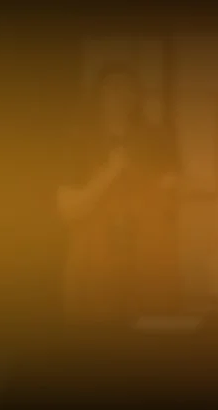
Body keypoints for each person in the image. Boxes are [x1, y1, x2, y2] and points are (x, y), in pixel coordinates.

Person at [58, 63, 182, 326]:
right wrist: (111, 172)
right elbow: (68, 210)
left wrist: (166, 188)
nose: (121, 96)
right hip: (94, 254)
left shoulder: (157, 138)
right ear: (99, 94)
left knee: (150, 327)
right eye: (113, 87)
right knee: (95, 331)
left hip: (147, 253)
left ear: (137, 96)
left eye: (129, 88)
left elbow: (170, 197)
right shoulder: (76, 141)